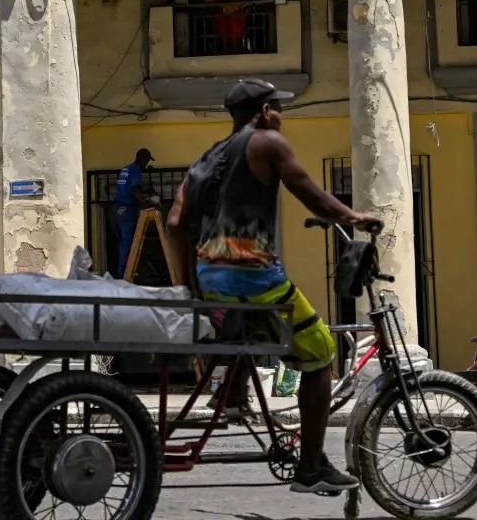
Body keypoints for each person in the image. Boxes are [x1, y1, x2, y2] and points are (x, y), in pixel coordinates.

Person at [167, 78, 382, 496]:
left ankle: (232, 397)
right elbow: (311, 194)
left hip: (213, 279)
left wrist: (189, 287)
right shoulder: (266, 142)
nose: (281, 115)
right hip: (254, 277)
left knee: (254, 332)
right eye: (278, 108)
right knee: (321, 354)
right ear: (264, 112)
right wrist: (356, 218)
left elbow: (176, 223)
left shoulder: (207, 158)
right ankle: (310, 469)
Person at [114, 148, 159, 277]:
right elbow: (135, 190)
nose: (146, 165)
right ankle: (126, 275)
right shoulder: (136, 170)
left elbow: (128, 188)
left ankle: (122, 273)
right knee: (129, 243)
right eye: (146, 161)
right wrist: (149, 202)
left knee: (123, 243)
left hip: (117, 209)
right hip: (127, 209)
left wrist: (144, 193)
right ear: (143, 159)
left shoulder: (125, 169)